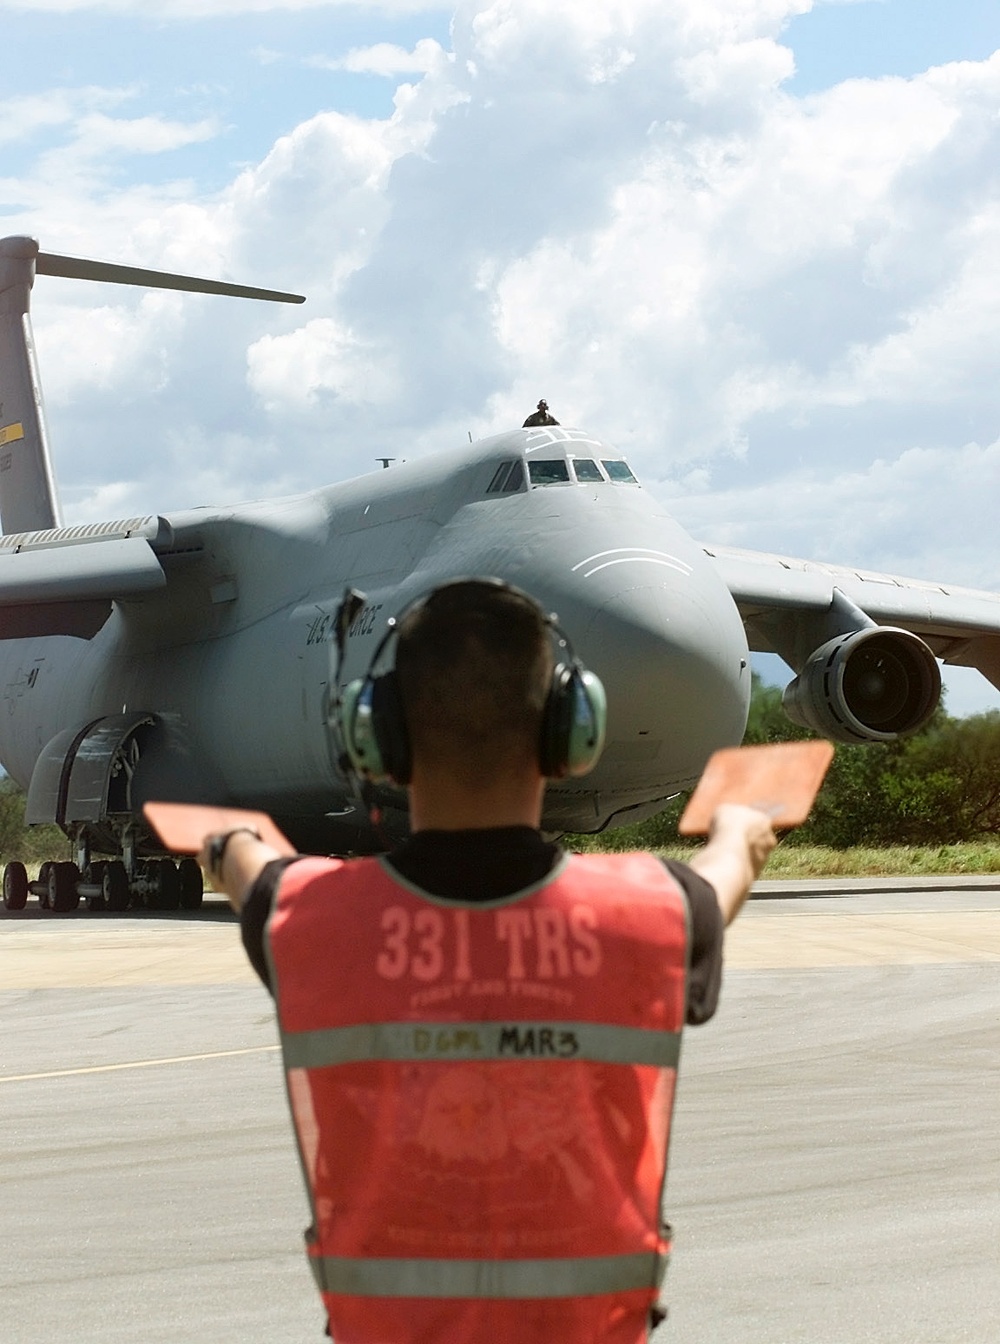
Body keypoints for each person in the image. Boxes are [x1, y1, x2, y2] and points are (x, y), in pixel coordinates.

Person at [199, 578, 776, 1343]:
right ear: (569, 735)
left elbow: (253, 873)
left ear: (382, 741)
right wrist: (738, 834)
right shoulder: (657, 911)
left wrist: (229, 844)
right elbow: (721, 879)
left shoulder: (305, 915)